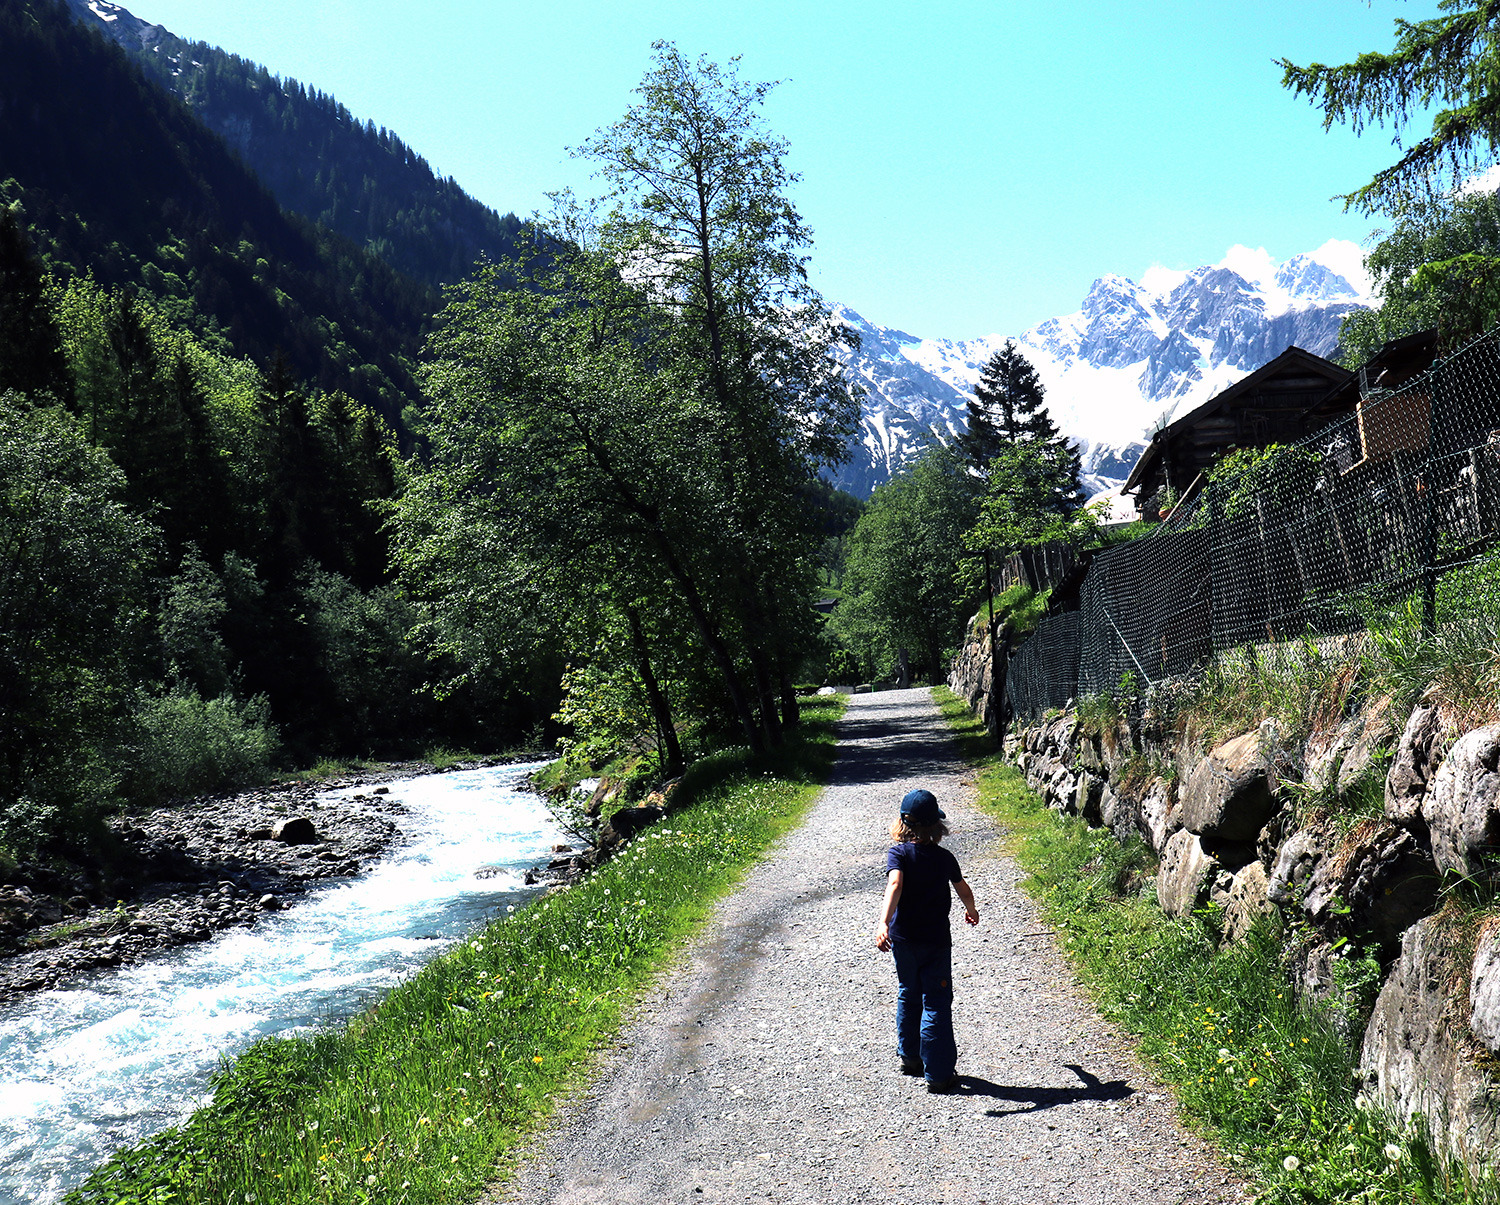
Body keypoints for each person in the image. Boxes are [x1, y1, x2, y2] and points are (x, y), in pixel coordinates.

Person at [873, 788, 979, 1093]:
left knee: (908, 990)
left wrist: (884, 923)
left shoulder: (899, 854)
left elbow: (895, 884)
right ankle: (939, 1074)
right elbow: (963, 889)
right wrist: (971, 911)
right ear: (937, 827)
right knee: (935, 1001)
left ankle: (910, 1057)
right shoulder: (945, 858)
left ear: (903, 825)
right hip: (935, 942)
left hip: (903, 940)